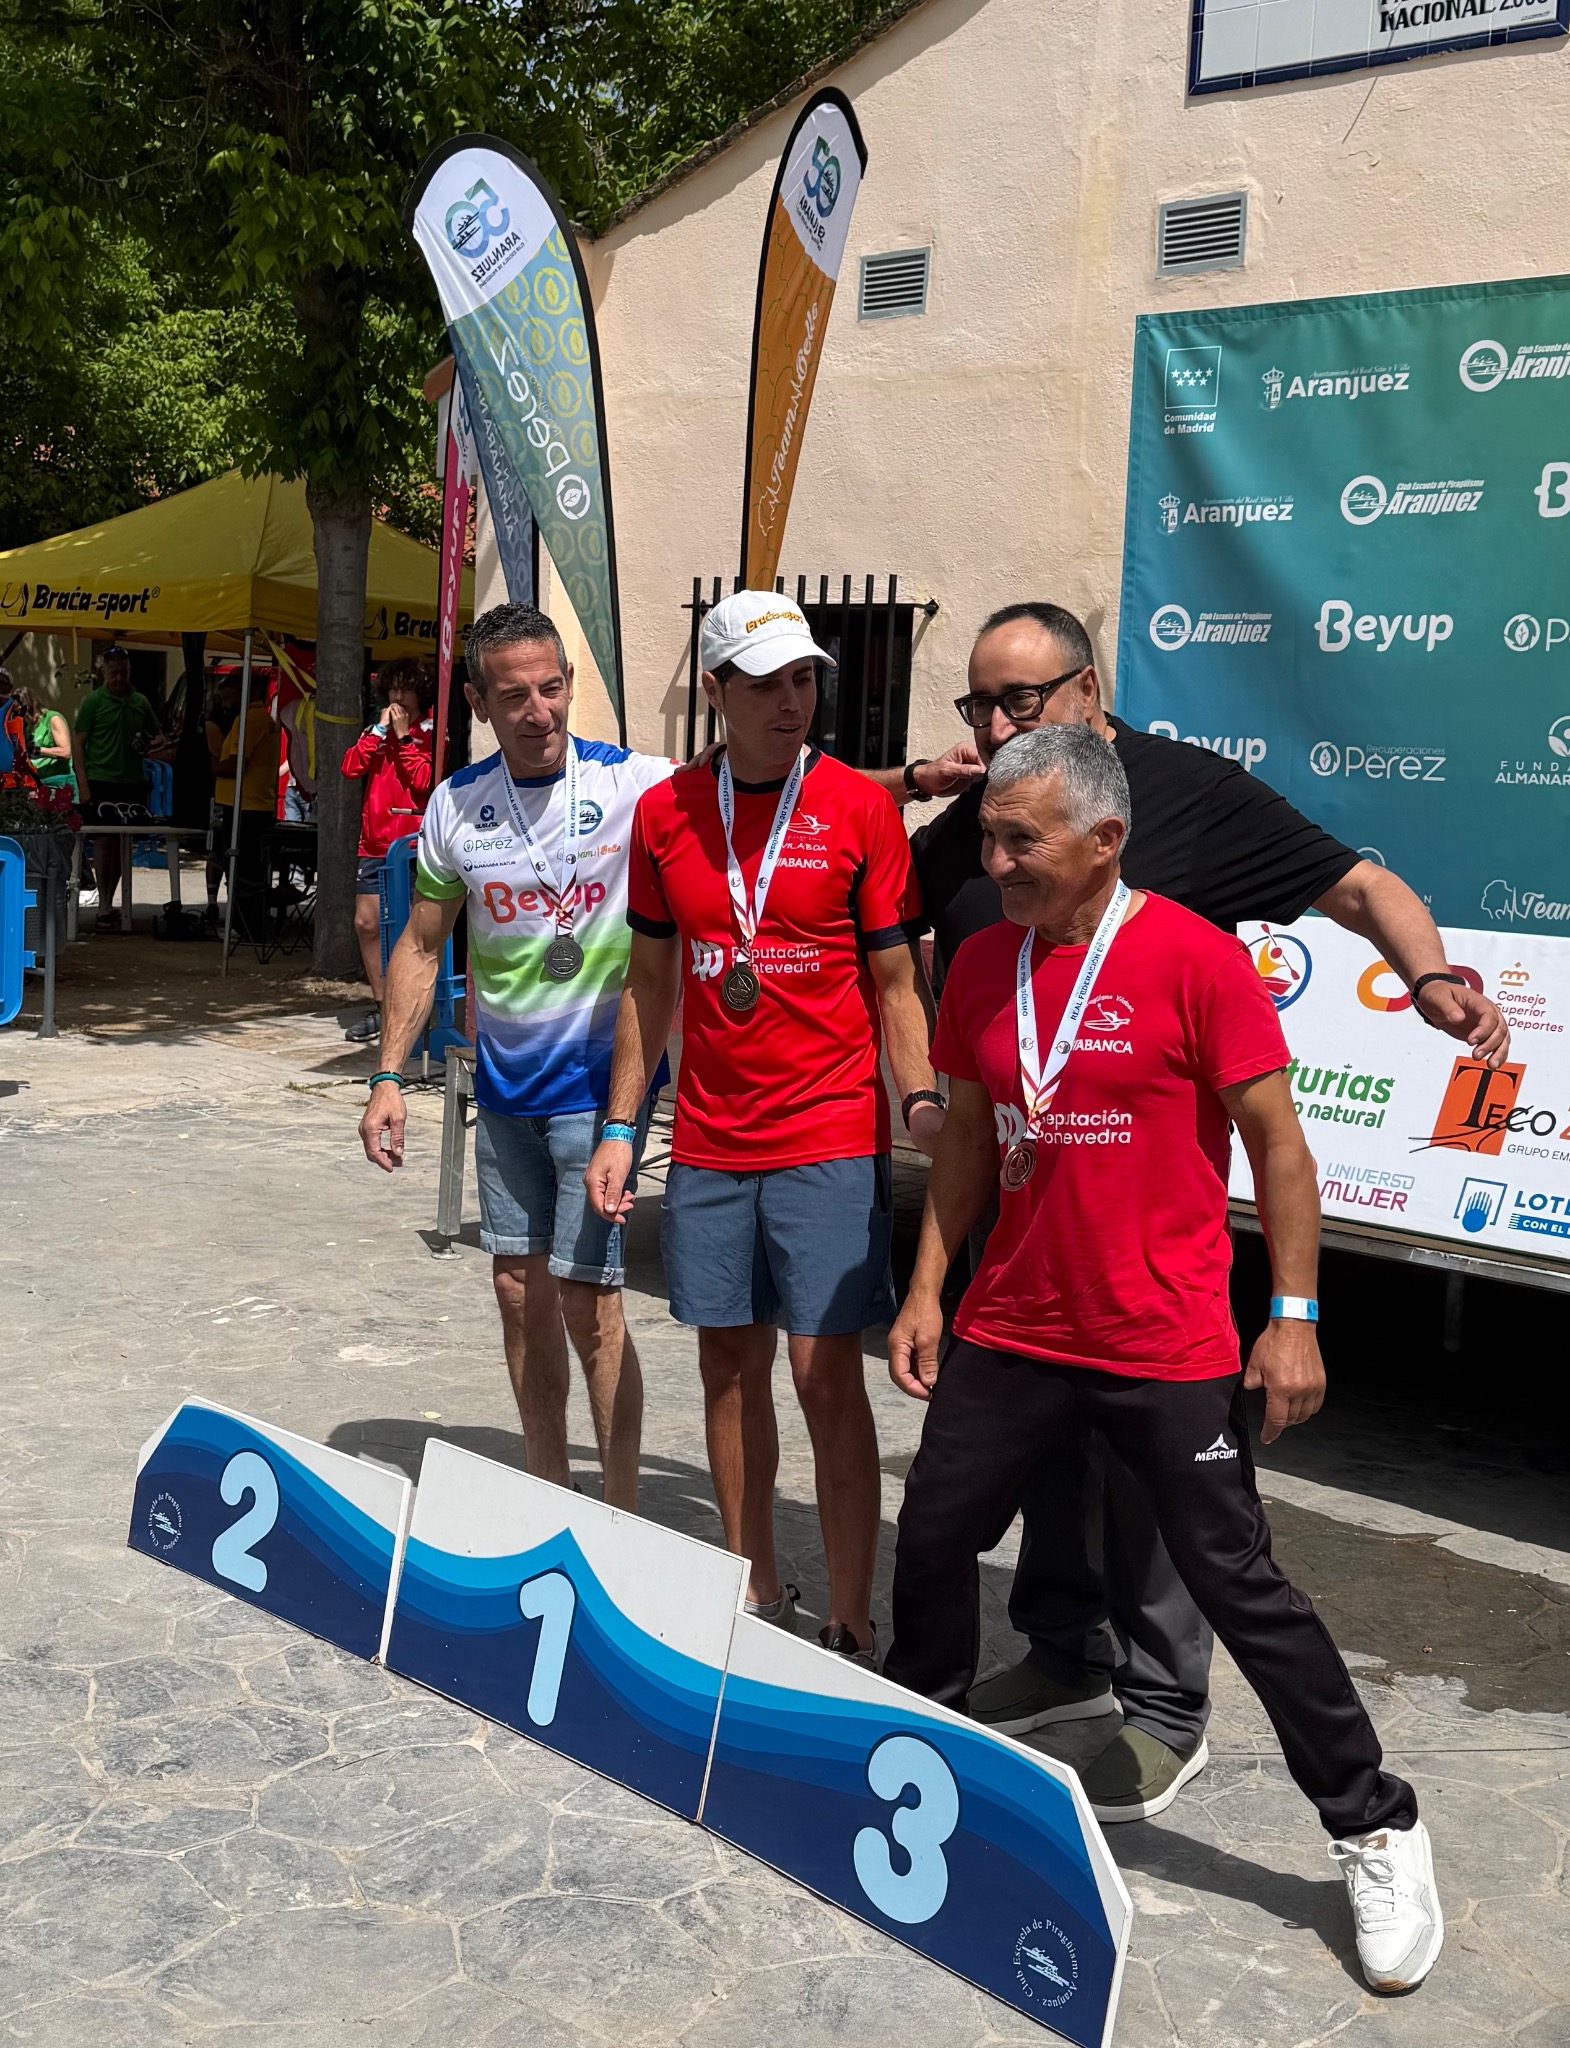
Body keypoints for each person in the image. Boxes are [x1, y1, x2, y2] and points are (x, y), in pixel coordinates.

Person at [911, 599, 1509, 1823]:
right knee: (1010, 1502)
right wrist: (926, 1268)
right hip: (1022, 1275)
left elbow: (1354, 891)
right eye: (977, 704)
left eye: (1019, 700)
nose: (994, 726)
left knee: (1187, 1536)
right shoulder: (982, 840)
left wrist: (1428, 975)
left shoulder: (1192, 833)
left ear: (1087, 691)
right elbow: (899, 950)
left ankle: (1175, 1712)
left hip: (1152, 1289)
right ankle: (1045, 1669)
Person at [887, 723, 1442, 1996]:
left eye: (1018, 839)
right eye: (988, 835)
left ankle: (1374, 1822)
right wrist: (925, 1288)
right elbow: (966, 1135)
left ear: (1104, 840)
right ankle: (911, 1760)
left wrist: (1291, 1315)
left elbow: (1280, 1145)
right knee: (932, 1538)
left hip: (1164, 1338)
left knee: (1238, 1585)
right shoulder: (982, 959)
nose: (993, 859)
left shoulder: (1195, 958)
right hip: (1013, 1326)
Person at [584, 591, 946, 1669]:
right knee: (727, 1368)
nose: (792, 702)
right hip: (707, 1137)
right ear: (714, 692)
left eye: (803, 679)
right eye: (765, 684)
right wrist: (620, 1123)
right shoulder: (666, 815)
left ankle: (851, 1615)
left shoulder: (857, 809)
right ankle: (753, 1589)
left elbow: (896, 982)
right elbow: (650, 981)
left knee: (823, 1371)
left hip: (827, 1130)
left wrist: (917, 1097)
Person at [358, 603, 675, 1512]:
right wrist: (388, 1075)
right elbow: (422, 944)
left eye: (552, 688)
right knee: (513, 1289)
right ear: (478, 703)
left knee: (588, 1302)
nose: (539, 711)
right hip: (503, 1093)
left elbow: (765, 782)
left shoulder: (633, 784)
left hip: (598, 1093)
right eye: (515, 696)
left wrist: (911, 778)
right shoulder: (456, 804)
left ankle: (620, 1512)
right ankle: (547, 1490)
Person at [340, 660, 437, 1043]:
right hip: (373, 842)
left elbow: (425, 780)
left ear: (419, 694)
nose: (397, 697)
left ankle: (410, 1007)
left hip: (410, 845)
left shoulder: (431, 732)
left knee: (408, 929)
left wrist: (404, 739)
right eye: (392, 690)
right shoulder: (375, 732)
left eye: (404, 689)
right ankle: (381, 1006)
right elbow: (350, 768)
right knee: (366, 924)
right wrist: (380, 732)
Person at [73, 646, 159, 932]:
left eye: (124, 672)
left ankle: (112, 904)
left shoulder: (140, 701)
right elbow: (78, 743)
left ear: (130, 671)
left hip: (132, 783)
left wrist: (149, 743)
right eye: (114, 673)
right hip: (101, 780)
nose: (119, 678)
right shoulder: (92, 702)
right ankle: (103, 905)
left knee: (124, 842)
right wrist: (83, 784)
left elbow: (159, 735)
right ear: (104, 673)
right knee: (103, 841)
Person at [214, 670, 279, 936]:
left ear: (246, 691)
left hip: (245, 806)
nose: (223, 701)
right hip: (254, 804)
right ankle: (250, 924)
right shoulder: (263, 719)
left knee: (241, 870)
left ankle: (245, 926)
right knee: (249, 869)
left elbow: (235, 766)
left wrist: (206, 763)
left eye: (228, 696)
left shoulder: (250, 719)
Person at [16, 688, 77, 799]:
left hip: (60, 783)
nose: (18, 715)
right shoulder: (28, 727)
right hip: (39, 785)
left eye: (20, 710)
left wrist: (38, 750)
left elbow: (65, 752)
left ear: (29, 706)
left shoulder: (53, 719)